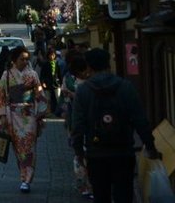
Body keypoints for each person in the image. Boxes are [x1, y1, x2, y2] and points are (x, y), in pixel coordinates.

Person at [71, 47, 161, 203]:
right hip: (123, 151)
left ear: (89, 67)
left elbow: (77, 125)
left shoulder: (83, 91)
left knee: (101, 196)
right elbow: (140, 120)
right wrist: (150, 146)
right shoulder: (126, 87)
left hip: (96, 153)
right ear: (108, 64)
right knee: (124, 195)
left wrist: (79, 152)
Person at [0, 46, 49, 193]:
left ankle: (26, 179)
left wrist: (41, 114)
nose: (25, 61)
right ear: (14, 59)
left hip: (29, 114)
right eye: (22, 59)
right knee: (19, 148)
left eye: (27, 59)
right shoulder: (6, 75)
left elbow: (39, 94)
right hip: (12, 114)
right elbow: (0, 95)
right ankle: (23, 175)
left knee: (29, 147)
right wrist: (2, 116)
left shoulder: (32, 75)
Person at [61, 51, 92, 200]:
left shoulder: (69, 81)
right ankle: (86, 185)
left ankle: (86, 185)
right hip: (81, 120)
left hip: (77, 120)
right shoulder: (89, 84)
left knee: (82, 153)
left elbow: (65, 99)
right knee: (82, 153)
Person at [38, 48, 62, 118]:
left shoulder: (57, 64)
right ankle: (48, 112)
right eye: (50, 55)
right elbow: (42, 75)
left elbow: (59, 74)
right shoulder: (45, 64)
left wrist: (61, 82)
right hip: (47, 83)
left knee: (58, 98)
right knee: (47, 99)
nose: (52, 57)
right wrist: (42, 83)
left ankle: (59, 112)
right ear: (48, 55)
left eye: (53, 55)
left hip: (56, 84)